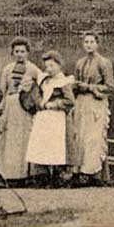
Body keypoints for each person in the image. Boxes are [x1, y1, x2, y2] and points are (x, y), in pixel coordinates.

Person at [25, 50, 76, 187]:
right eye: (47, 66)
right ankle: (44, 176)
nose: (49, 69)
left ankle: (58, 176)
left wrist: (55, 104)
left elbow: (70, 101)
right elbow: (35, 94)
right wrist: (41, 102)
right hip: (43, 117)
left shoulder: (63, 81)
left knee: (56, 146)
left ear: (59, 65)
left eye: (52, 66)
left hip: (56, 118)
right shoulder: (44, 80)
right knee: (43, 145)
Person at [0, 37, 40, 183]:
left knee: (24, 140)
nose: (19, 54)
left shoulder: (33, 69)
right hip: (9, 108)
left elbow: (41, 88)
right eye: (17, 51)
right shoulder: (7, 69)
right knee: (8, 140)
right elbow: (2, 91)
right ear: (12, 53)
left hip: (24, 110)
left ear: (28, 53)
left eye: (22, 51)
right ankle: (8, 174)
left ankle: (26, 175)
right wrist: (0, 111)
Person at [73, 32, 114, 185]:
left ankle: (96, 174)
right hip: (81, 104)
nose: (89, 45)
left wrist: (90, 87)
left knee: (94, 139)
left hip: (96, 103)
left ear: (97, 44)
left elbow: (110, 87)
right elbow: (76, 84)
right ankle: (80, 172)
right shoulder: (79, 63)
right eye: (86, 42)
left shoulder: (104, 62)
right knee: (81, 137)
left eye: (92, 42)